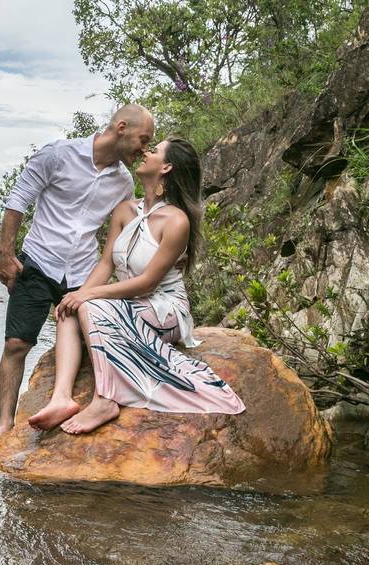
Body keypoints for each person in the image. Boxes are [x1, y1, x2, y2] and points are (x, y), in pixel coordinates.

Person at [28, 137, 246, 434]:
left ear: (167, 167)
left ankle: (105, 399)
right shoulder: (124, 210)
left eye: (154, 151)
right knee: (70, 308)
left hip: (164, 308)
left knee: (90, 305)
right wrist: (77, 295)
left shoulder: (177, 220)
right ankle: (61, 398)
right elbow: (106, 265)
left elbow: (147, 283)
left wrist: (88, 295)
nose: (145, 152)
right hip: (128, 304)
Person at [0, 105, 156, 436]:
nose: (145, 149)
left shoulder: (124, 183)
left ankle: (75, 401)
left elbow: (124, 232)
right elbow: (17, 200)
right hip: (39, 261)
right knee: (16, 344)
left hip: (83, 273)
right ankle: (3, 426)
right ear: (121, 127)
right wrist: (6, 255)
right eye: (143, 139)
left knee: (90, 342)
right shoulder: (57, 155)